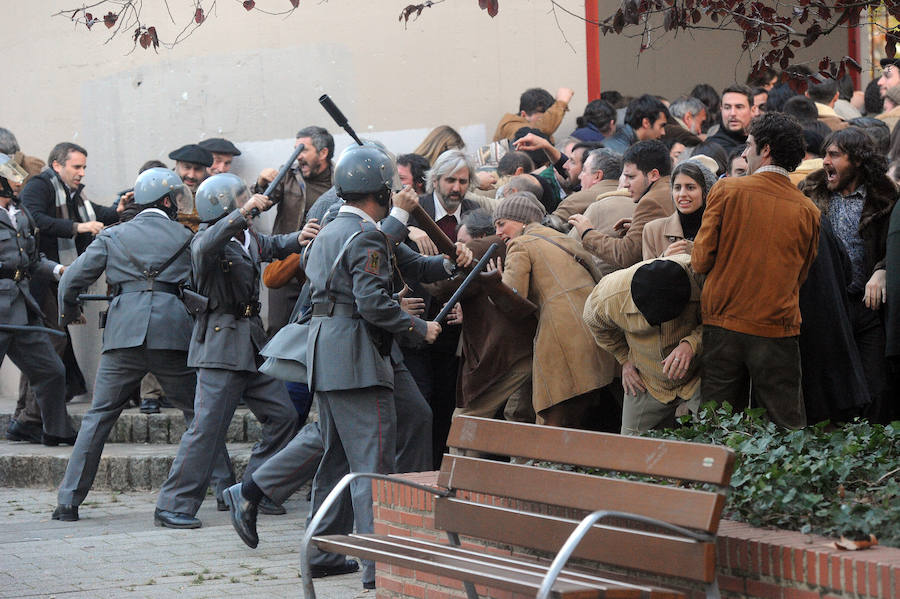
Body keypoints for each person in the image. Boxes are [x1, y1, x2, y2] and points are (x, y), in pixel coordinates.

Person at [224, 144, 469, 590]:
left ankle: (321, 549)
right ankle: (380, 566)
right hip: (357, 355)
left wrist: (452, 258)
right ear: (380, 192)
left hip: (336, 353)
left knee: (339, 454)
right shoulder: (367, 234)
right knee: (369, 463)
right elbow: (373, 303)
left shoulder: (336, 228)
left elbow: (406, 265)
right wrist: (418, 328)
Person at [51, 167, 233, 521]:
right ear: (166, 201)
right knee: (200, 416)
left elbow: (70, 280)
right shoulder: (187, 236)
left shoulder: (114, 235)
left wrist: (70, 311)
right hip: (173, 335)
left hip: (123, 336)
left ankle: (68, 502)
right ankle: (226, 491)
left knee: (98, 418)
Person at [154, 173, 300, 529]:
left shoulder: (245, 236)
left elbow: (271, 245)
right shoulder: (208, 239)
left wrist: (302, 236)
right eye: (241, 196)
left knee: (284, 416)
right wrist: (244, 213)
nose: (249, 198)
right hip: (220, 346)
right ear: (224, 205)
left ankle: (253, 489)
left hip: (250, 344)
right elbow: (205, 247)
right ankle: (173, 503)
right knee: (207, 429)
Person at [692, 112, 820, 428]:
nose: (745, 153)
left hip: (724, 321)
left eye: (749, 145)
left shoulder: (727, 191)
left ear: (765, 149)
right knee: (785, 424)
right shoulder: (808, 210)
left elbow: (700, 261)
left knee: (718, 426)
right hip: (777, 325)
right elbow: (801, 274)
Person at [17, 142, 120, 432]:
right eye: (77, 166)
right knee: (50, 341)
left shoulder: (72, 193)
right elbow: (36, 218)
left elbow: (92, 214)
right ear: (57, 165)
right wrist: (77, 228)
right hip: (40, 276)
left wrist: (117, 209)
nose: (82, 172)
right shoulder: (40, 185)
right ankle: (31, 417)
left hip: (55, 276)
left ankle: (24, 417)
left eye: (84, 167)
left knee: (44, 341)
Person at [798, 127, 898, 423]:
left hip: (868, 307)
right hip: (825, 305)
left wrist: (881, 271)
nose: (826, 161)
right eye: (825, 154)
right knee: (828, 387)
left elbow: (893, 249)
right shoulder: (808, 192)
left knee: (876, 386)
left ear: (857, 160)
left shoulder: (885, 197)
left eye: (835, 155)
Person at [493, 192, 617, 429]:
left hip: (560, 339)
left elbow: (512, 299)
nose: (498, 232)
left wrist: (496, 284)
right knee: (581, 418)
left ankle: (542, 466)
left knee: (552, 419)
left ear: (522, 221)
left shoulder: (521, 243)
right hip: (596, 332)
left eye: (502, 224)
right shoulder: (565, 239)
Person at [0, 153, 75, 446]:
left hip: (20, 306)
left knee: (51, 370)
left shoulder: (19, 214)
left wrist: (58, 270)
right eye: (10, 177)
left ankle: (55, 429)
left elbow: (31, 260)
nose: (17, 182)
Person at [583, 255, 703, 434]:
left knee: (721, 433)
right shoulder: (607, 299)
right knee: (630, 446)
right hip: (646, 379)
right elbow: (597, 327)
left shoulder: (700, 276)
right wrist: (625, 360)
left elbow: (722, 321)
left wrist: (692, 344)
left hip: (699, 374)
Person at [255, 126, 335, 336]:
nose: (297, 157)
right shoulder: (288, 176)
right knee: (277, 330)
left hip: (324, 272)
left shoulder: (340, 181)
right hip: (288, 267)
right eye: (295, 150)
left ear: (323, 152)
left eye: (303, 150)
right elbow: (261, 205)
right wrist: (261, 185)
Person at [569, 140, 674, 270]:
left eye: (631, 177)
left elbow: (625, 255)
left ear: (653, 175)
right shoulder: (669, 189)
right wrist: (640, 227)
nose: (625, 184)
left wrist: (587, 233)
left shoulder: (650, 202)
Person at [642, 159, 717, 259]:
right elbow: (646, 273)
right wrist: (664, 260)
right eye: (677, 188)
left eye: (690, 187)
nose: (682, 194)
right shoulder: (653, 230)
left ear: (705, 192)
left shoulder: (719, 228)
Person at [493, 87, 574, 143]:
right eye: (541, 119)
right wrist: (561, 102)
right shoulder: (511, 127)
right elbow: (541, 131)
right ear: (523, 114)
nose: (545, 121)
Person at [169, 144, 213, 232]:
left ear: (205, 171)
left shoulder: (212, 196)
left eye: (197, 169)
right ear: (177, 165)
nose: (191, 175)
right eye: (187, 167)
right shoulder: (163, 192)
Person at [602, 95, 668, 154]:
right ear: (646, 123)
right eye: (661, 126)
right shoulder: (621, 153)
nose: (663, 132)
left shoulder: (621, 143)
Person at [706, 84, 754, 155]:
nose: (733, 113)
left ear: (752, 110)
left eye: (739, 107)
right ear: (721, 110)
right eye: (727, 107)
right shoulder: (711, 149)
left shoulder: (758, 144)